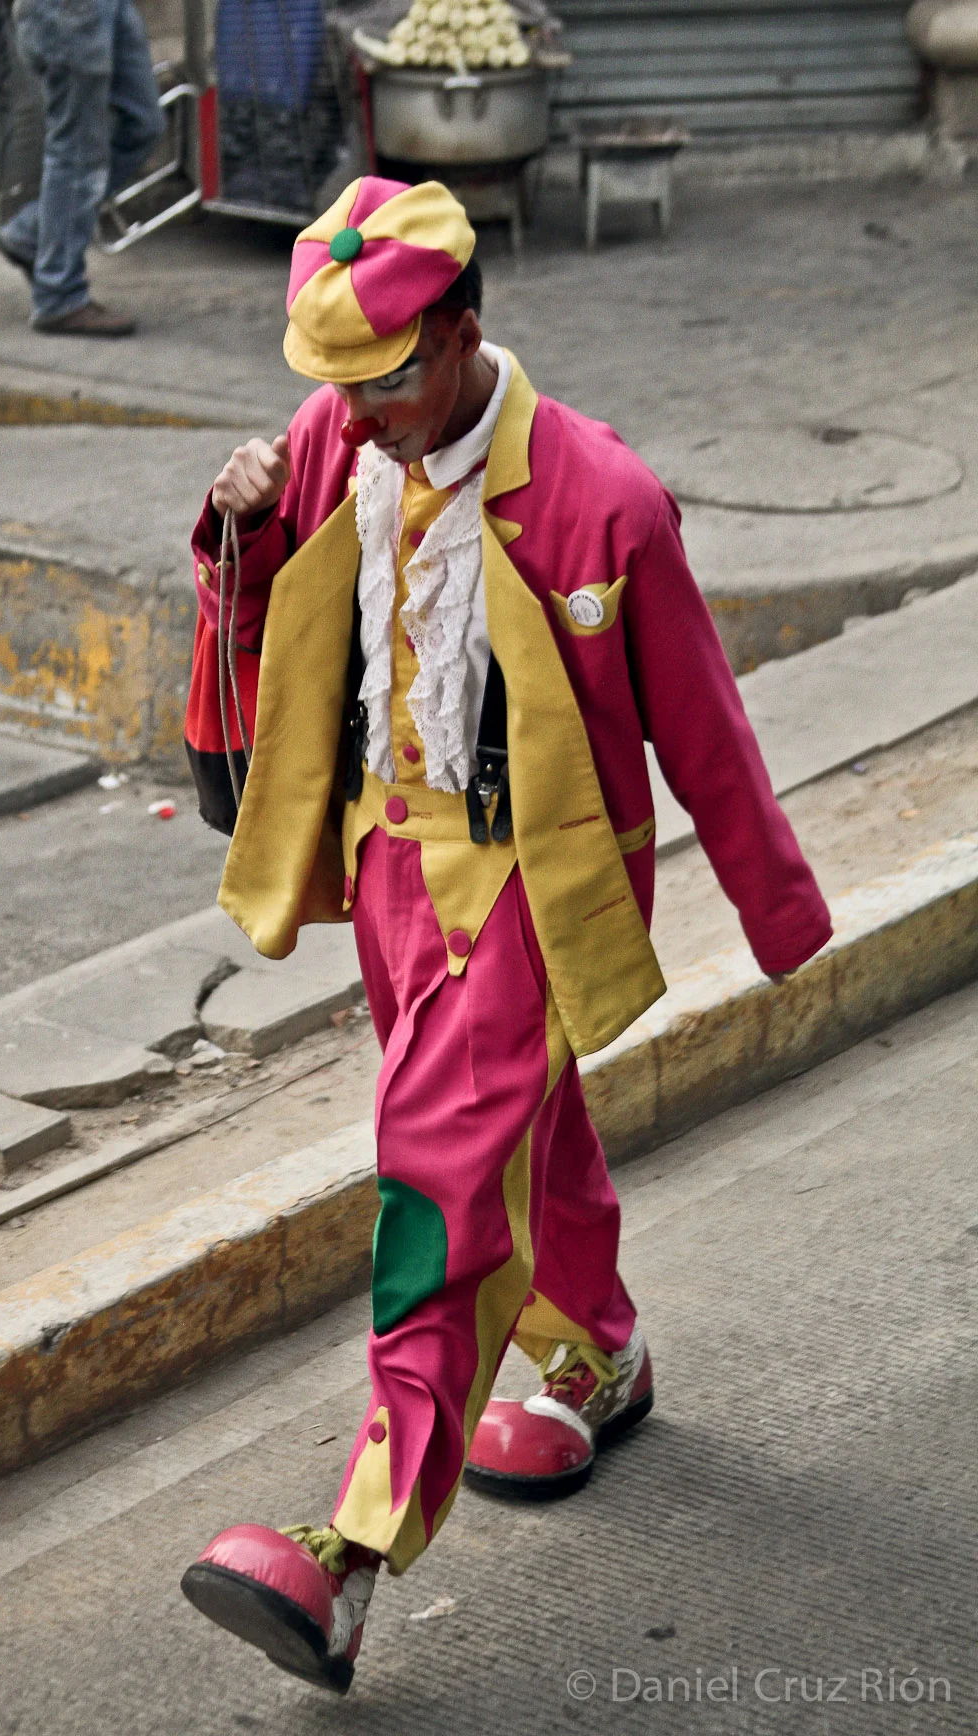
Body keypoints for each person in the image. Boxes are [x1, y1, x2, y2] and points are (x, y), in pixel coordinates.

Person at [178, 177, 832, 1694]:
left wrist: (779, 910)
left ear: (464, 331)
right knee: (518, 1137)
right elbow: (283, 616)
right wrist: (236, 527)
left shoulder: (608, 496)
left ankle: (346, 1554)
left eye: (386, 378)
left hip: (536, 885)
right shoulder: (344, 439)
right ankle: (600, 1353)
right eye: (337, 385)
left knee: (440, 1179)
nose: (360, 413)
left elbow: (708, 734)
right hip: (389, 867)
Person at [0, 0, 164, 336]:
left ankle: (32, 233)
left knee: (144, 124)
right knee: (75, 154)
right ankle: (59, 296)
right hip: (62, 0)